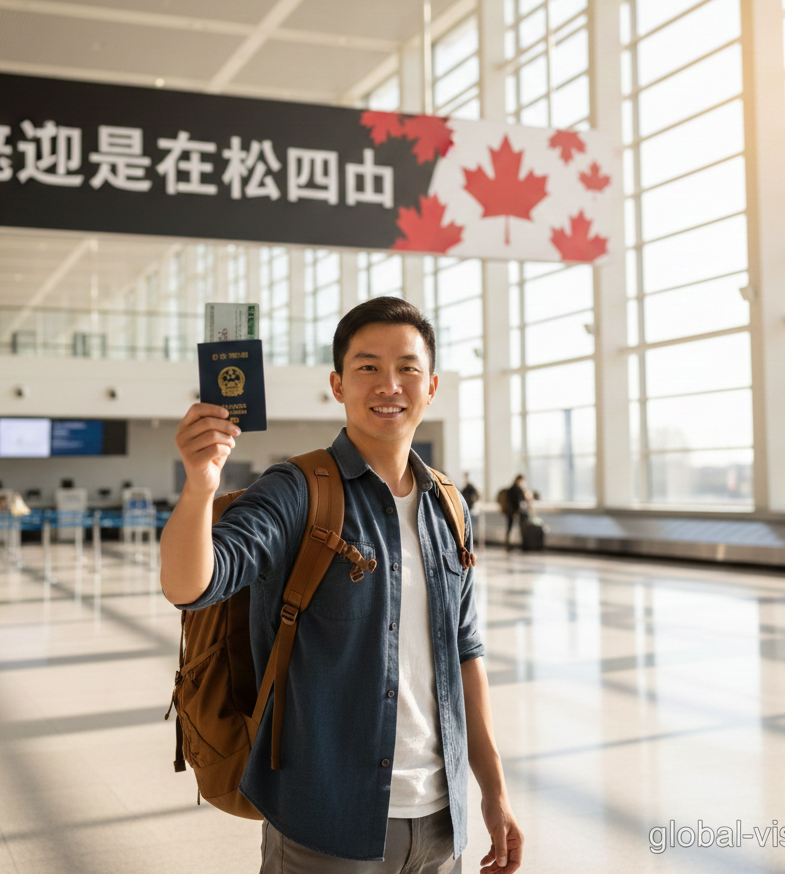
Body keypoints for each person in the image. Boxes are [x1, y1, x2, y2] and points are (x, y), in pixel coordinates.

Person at [160, 297, 524, 874]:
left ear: (431, 387)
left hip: (439, 822)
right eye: (367, 367)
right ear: (337, 384)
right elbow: (192, 584)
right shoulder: (296, 490)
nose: (389, 384)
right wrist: (201, 486)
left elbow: (464, 653)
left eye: (407, 368)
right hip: (321, 822)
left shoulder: (448, 506)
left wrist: (493, 791)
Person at [503, 475, 530, 548]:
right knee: (520, 528)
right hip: (515, 511)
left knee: (510, 528)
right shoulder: (517, 489)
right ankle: (524, 544)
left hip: (510, 511)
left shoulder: (511, 488)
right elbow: (520, 500)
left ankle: (508, 544)